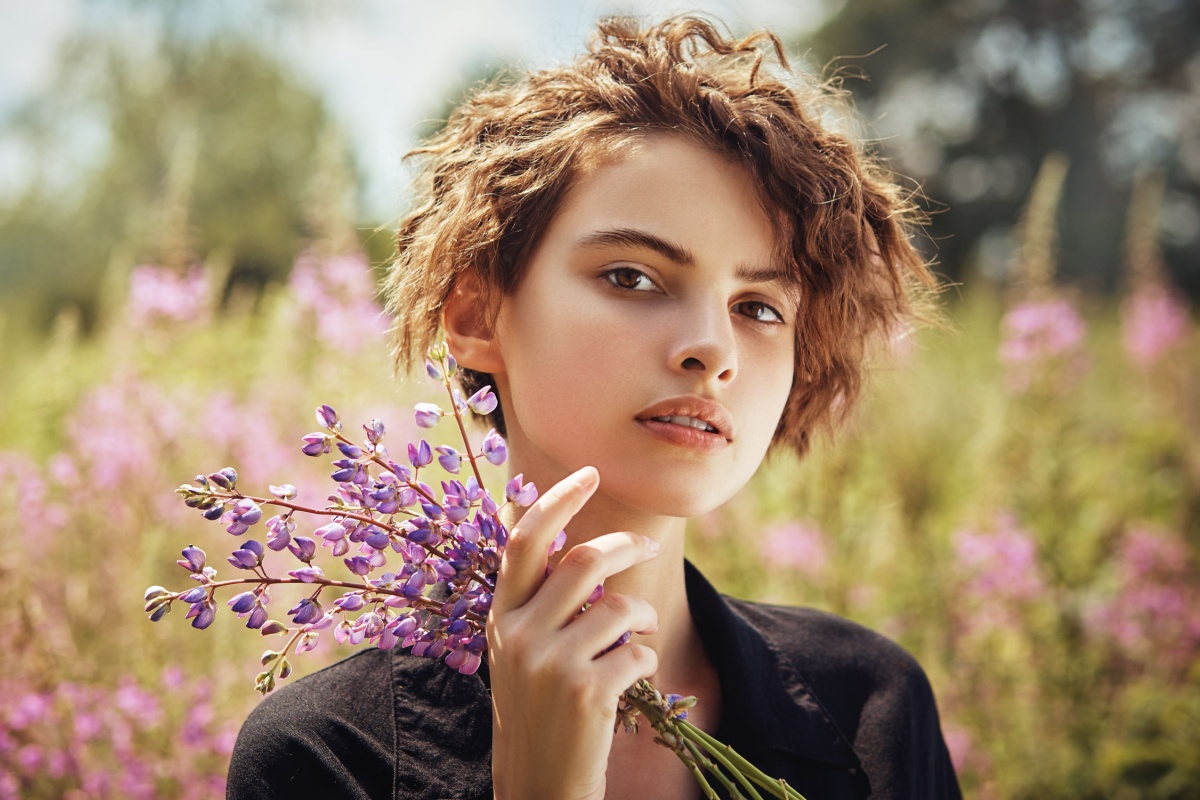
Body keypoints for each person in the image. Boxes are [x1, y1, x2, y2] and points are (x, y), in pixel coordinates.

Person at [227, 15, 961, 800]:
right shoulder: (329, 757)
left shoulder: (871, 710)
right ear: (476, 316)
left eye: (760, 307)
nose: (713, 348)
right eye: (632, 277)